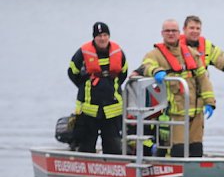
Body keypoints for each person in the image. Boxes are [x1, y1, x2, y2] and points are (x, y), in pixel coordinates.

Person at [131, 19, 215, 157]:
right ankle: (174, 175)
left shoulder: (191, 53)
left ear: (179, 33)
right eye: (167, 31)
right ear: (162, 33)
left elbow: (203, 79)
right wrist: (156, 71)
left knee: (196, 149)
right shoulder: (155, 54)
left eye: (174, 31)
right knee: (178, 150)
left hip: (196, 113)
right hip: (175, 113)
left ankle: (194, 176)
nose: (171, 34)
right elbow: (145, 66)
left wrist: (210, 102)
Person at [67, 22, 128, 154]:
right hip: (89, 109)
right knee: (86, 146)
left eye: (105, 35)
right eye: (99, 35)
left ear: (109, 36)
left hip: (112, 109)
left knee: (113, 147)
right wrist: (84, 86)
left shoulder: (118, 52)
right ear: (94, 37)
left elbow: (123, 73)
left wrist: (110, 85)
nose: (102, 38)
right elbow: (72, 72)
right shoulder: (82, 53)